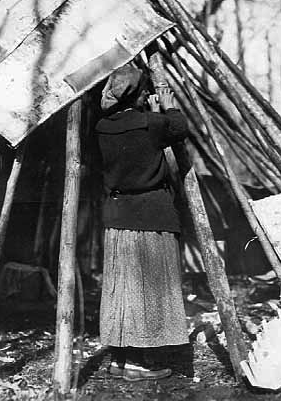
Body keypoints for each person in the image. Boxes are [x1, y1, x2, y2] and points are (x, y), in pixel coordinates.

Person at [95, 62, 189, 381]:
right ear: (138, 94)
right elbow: (179, 126)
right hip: (151, 214)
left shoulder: (102, 127)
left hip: (118, 215)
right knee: (151, 288)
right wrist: (166, 103)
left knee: (123, 289)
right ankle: (142, 363)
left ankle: (121, 359)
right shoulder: (151, 123)